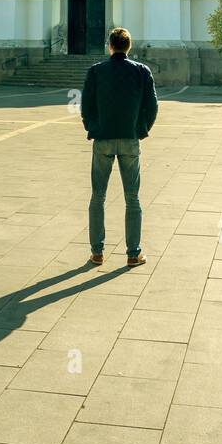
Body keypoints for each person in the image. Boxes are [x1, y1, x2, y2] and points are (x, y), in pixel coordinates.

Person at [80, 26, 158, 267]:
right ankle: (133, 254)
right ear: (129, 46)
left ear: (110, 46)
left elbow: (86, 105)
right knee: (132, 197)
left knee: (98, 196)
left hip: (102, 139)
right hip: (129, 139)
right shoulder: (141, 71)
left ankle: (97, 253)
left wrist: (92, 127)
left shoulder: (96, 71)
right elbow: (152, 106)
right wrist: (141, 129)